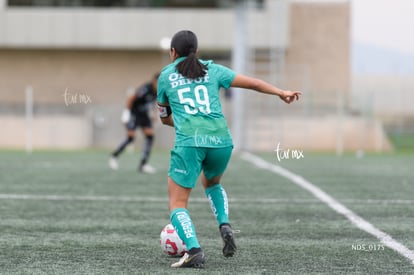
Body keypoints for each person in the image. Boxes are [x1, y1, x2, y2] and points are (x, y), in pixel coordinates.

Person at [157, 30, 302, 268]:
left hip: (190, 141)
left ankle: (194, 250)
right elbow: (253, 83)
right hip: (222, 140)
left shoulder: (165, 76)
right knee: (212, 183)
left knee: (177, 203)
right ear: (196, 51)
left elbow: (164, 118)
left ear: (172, 52)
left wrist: (186, 121)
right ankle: (224, 224)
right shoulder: (213, 69)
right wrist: (281, 92)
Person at [109, 73, 159, 173]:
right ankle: (114, 156)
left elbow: (152, 103)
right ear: (154, 81)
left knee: (150, 136)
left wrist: (153, 114)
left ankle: (143, 164)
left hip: (144, 115)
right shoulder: (146, 88)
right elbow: (131, 98)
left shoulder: (157, 91)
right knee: (131, 137)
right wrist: (126, 113)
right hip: (134, 113)